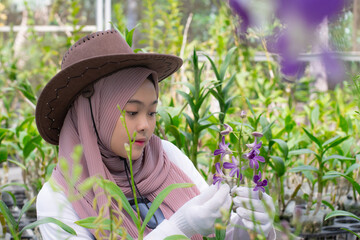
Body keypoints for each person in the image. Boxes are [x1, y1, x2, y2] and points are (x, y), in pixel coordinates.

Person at [35, 29, 276, 239]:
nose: (145, 126)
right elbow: (191, 223)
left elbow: (219, 231)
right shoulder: (58, 198)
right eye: (131, 112)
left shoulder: (166, 156)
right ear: (92, 114)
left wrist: (251, 227)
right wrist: (180, 227)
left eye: (151, 113)